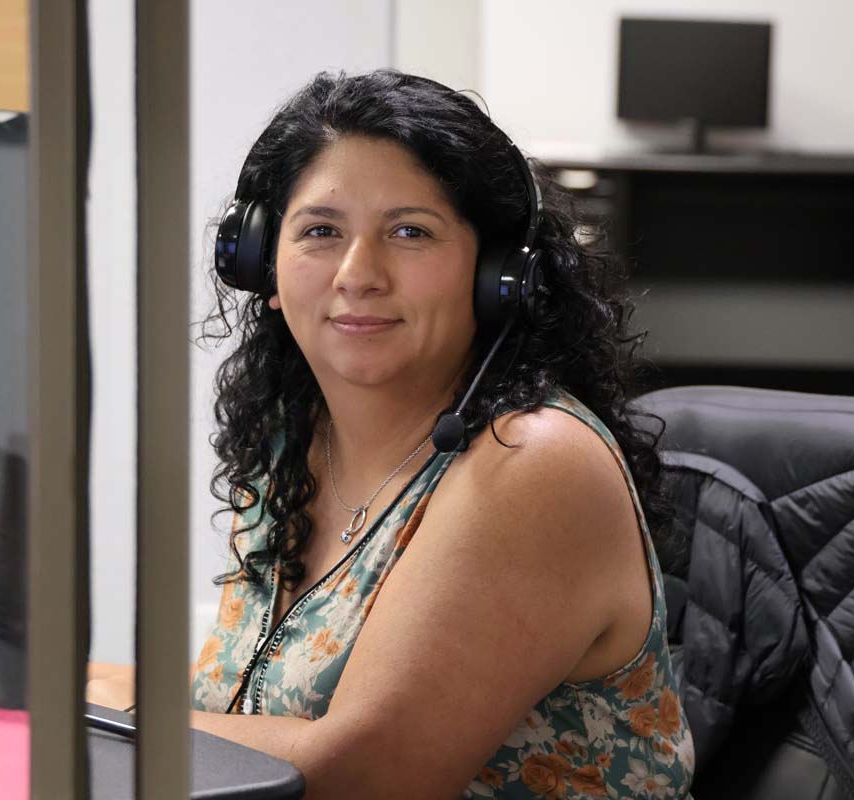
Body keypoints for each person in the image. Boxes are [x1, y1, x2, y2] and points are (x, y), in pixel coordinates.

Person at [90, 68, 694, 799]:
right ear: (262, 267)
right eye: (320, 231)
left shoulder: (534, 463)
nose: (358, 273)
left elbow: (365, 773)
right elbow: (248, 705)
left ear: (498, 276)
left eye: (410, 232)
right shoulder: (293, 440)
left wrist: (113, 711)